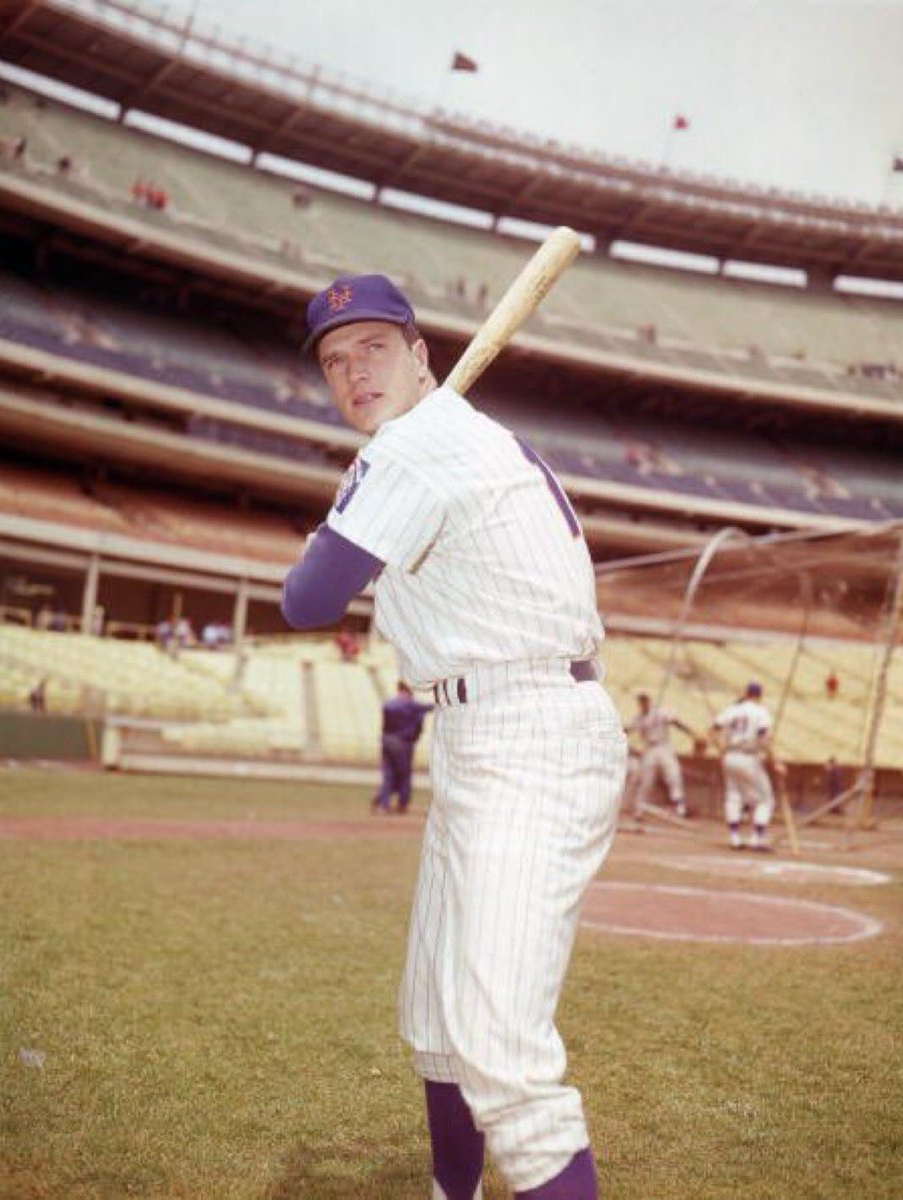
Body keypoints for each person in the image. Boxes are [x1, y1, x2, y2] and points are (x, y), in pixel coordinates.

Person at [281, 274, 626, 1200]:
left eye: (374, 350)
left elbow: (307, 600)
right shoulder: (428, 442)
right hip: (479, 731)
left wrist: (346, 500)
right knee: (436, 1016)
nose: (354, 372)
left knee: (500, 1054)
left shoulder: (416, 450)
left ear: (421, 355)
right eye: (334, 361)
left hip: (531, 734)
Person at [711, 681, 778, 852]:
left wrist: (720, 749)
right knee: (765, 799)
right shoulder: (760, 711)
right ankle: (756, 838)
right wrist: (775, 762)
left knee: (733, 795)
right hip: (749, 756)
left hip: (730, 755)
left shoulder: (733, 709)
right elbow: (763, 737)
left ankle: (734, 837)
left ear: (746, 693)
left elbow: (713, 730)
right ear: (759, 695)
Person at [628, 691, 696, 819]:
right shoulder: (638, 718)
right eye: (641, 701)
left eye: (645, 700)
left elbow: (676, 722)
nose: (643, 704)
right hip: (649, 749)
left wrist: (691, 733)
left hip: (664, 747)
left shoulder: (660, 713)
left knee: (673, 775)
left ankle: (680, 807)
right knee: (646, 780)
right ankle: (639, 810)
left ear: (649, 701)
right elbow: (628, 729)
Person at [373, 681, 434, 814]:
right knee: (404, 774)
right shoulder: (411, 704)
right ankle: (402, 803)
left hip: (386, 740)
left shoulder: (388, 704)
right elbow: (429, 709)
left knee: (388, 774)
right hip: (402, 743)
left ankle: (383, 804)